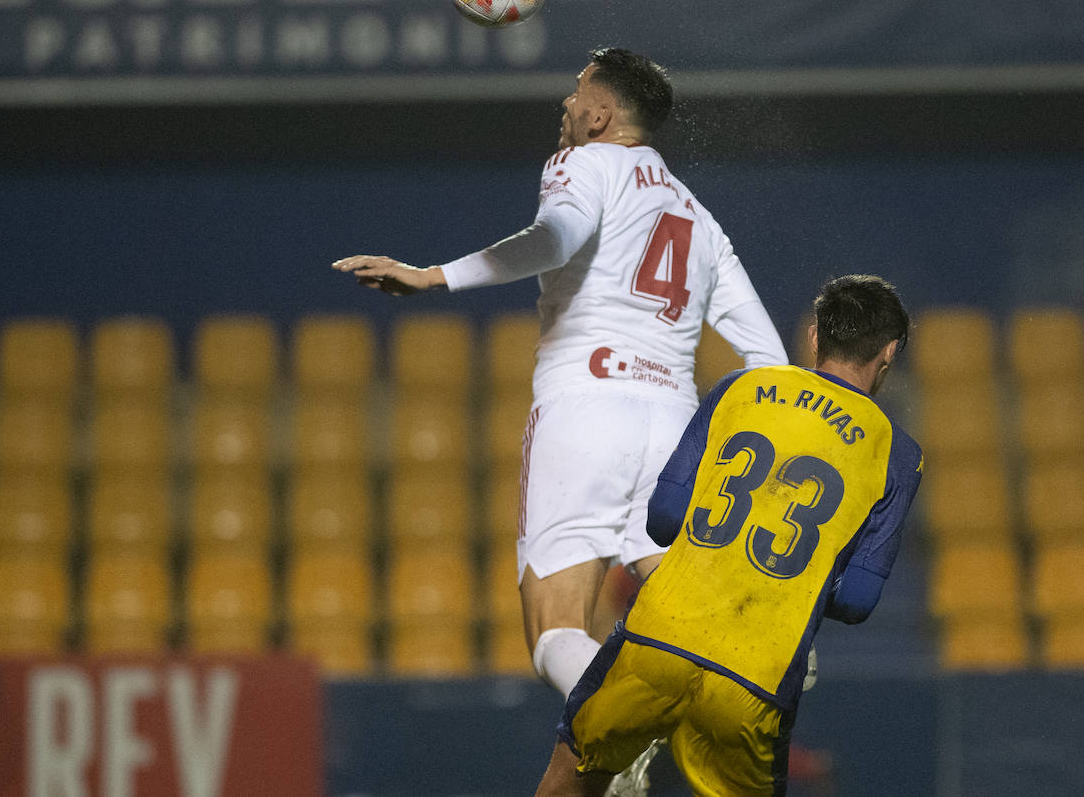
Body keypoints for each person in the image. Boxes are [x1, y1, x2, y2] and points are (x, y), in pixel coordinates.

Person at [334, 47, 787, 788]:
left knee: (553, 628)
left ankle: (624, 728)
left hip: (586, 408)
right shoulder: (700, 218)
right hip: (674, 431)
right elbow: (766, 361)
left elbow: (556, 239)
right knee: (683, 622)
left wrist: (434, 275)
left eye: (578, 93)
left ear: (602, 115)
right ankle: (748, 661)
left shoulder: (581, 163)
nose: (567, 104)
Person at [535, 274, 923, 796]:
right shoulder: (897, 452)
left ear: (814, 337)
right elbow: (857, 598)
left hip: (659, 638)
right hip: (756, 673)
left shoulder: (738, 389)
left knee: (573, 775)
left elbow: (665, 517)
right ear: (890, 351)